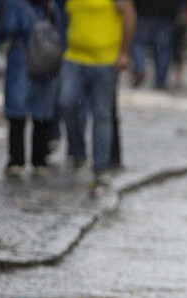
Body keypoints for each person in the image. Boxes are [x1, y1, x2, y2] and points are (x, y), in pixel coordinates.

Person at [57, 0, 135, 190]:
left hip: (105, 61)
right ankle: (78, 153)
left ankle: (101, 167)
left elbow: (130, 15)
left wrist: (124, 52)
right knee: (67, 102)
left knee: (101, 114)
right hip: (74, 57)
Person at [0, 0, 63, 177]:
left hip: (22, 60)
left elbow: (8, 28)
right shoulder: (50, 5)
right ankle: (39, 160)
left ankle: (16, 160)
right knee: (42, 112)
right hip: (46, 63)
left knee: (17, 111)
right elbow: (61, 30)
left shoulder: (16, 4)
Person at [130, 0, 178, 89]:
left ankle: (139, 67)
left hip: (143, 12)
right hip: (166, 15)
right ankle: (160, 80)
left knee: (138, 44)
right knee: (163, 50)